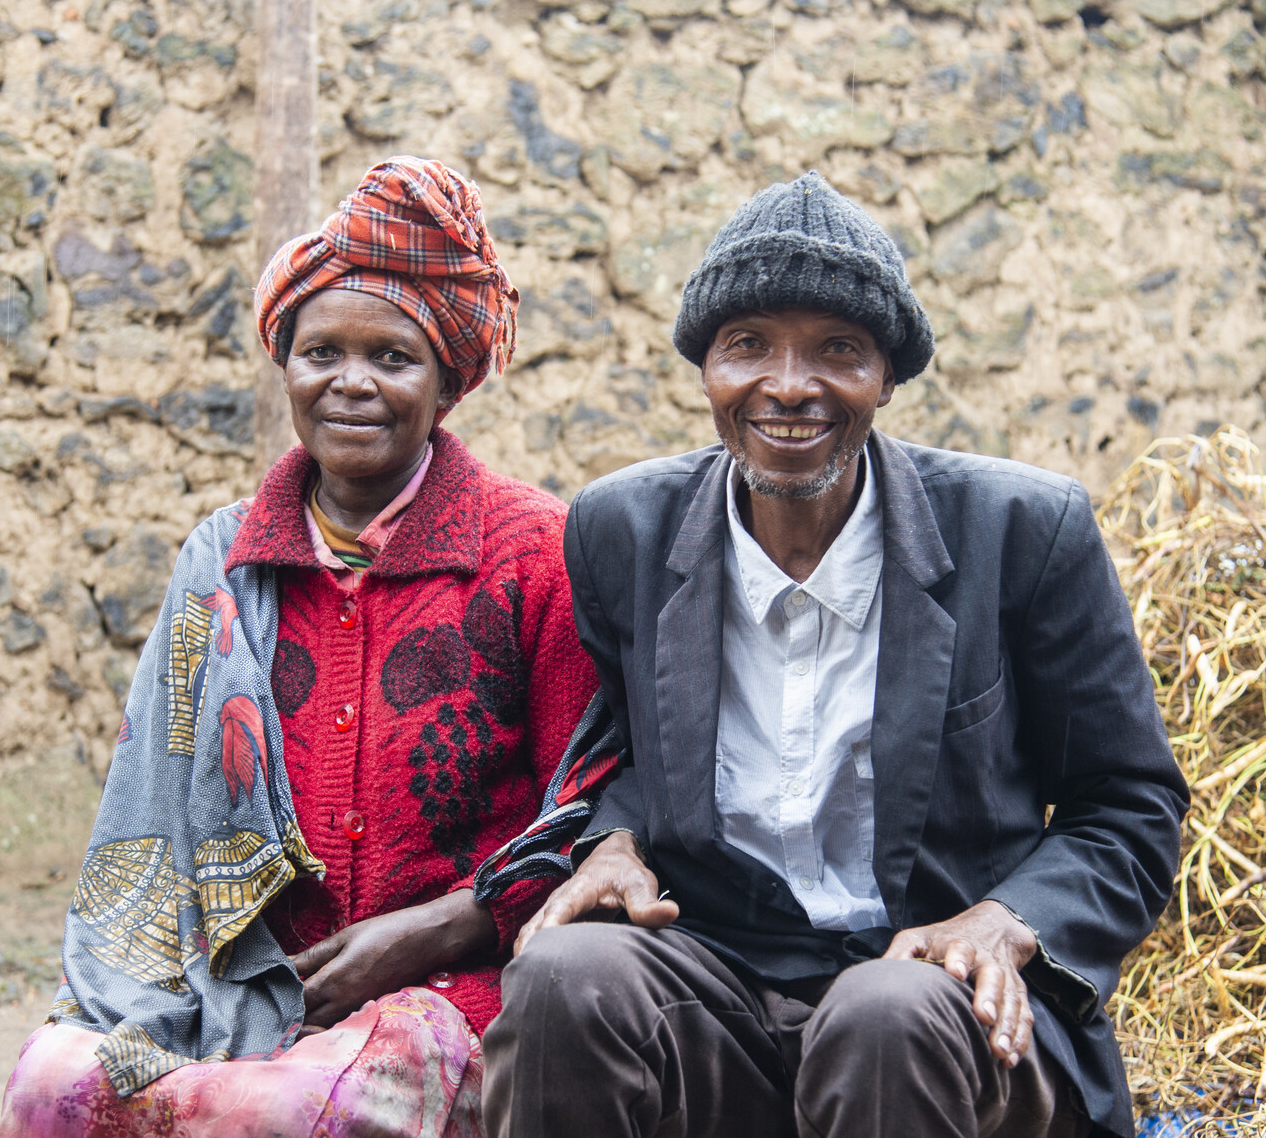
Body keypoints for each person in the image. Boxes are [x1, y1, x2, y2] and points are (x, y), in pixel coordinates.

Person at [484, 172, 1190, 1138]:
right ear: (705, 369)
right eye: (748, 346)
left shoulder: (1022, 531)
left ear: (887, 377)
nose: (787, 384)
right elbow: (632, 757)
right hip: (721, 980)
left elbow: (1130, 806)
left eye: (837, 350)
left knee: (883, 1012)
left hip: (935, 995)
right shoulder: (623, 531)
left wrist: (1006, 917)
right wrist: (612, 841)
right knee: (566, 977)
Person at [0, 156, 600, 1138]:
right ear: (285, 365)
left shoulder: (534, 556)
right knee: (55, 1082)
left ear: (447, 378)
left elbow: (588, 809)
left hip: (454, 991)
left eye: (392, 358)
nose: (351, 381)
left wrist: (455, 923)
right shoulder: (223, 562)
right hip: (239, 985)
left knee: (301, 1109)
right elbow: (159, 806)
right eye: (321, 352)